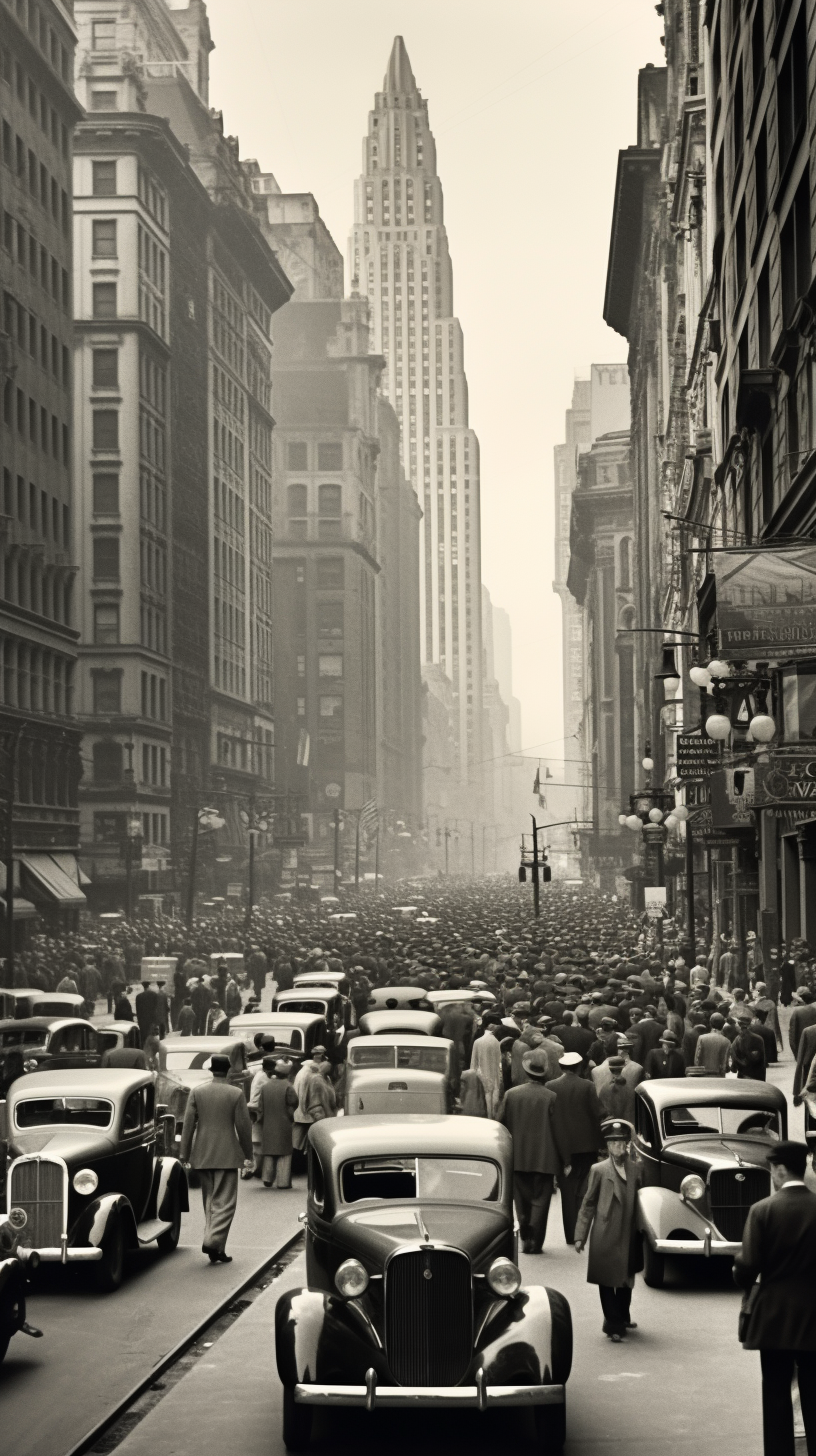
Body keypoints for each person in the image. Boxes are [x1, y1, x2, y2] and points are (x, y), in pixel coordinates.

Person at [733, 1140, 816, 1456]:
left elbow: (748, 1265)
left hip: (774, 1320)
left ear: (780, 1169)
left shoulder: (762, 1210)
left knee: (777, 1394)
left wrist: (739, 1277)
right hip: (814, 1317)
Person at [574, 1118, 644, 1342]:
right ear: (607, 1146)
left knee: (626, 1278)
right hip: (606, 1232)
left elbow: (643, 1201)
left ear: (627, 1145)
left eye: (622, 1142)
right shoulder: (599, 1170)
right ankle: (612, 1324)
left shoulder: (636, 1169)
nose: (618, 1147)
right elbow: (588, 1203)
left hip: (629, 1231)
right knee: (606, 1279)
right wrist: (580, 1236)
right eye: (613, 1143)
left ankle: (622, 1316)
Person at [179, 1053, 253, 1263]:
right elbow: (244, 1127)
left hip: (202, 1152)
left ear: (211, 1070)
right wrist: (248, 1154)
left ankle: (217, 1248)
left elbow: (187, 1125)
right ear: (228, 1070)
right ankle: (213, 1241)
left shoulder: (197, 1091)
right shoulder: (236, 1093)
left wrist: (184, 1153)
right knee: (226, 1203)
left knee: (210, 1201)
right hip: (227, 1153)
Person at [498, 1048, 571, 1254]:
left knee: (520, 1199)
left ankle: (524, 1229)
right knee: (541, 1200)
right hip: (545, 1159)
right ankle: (535, 1241)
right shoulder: (551, 1097)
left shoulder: (511, 1095)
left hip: (518, 1157)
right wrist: (566, 1159)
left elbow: (499, 1124)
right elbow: (560, 1130)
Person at [547, 1050, 602, 1243]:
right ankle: (582, 1231)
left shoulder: (550, 1086)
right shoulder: (587, 1086)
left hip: (561, 1148)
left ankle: (571, 1235)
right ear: (579, 1067)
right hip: (586, 1147)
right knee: (585, 1190)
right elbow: (597, 1114)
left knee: (567, 1192)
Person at [253, 1058, 298, 1188]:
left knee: (269, 1152)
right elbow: (294, 1102)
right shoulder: (288, 1086)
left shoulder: (265, 1086)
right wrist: (290, 1117)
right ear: (286, 1074)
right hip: (284, 1124)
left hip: (267, 1124)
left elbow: (260, 1107)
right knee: (284, 1153)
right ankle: (283, 1181)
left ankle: (267, 1177)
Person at [469, 1021, 504, 1116]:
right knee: (494, 1097)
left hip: (481, 1074)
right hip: (495, 1074)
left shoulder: (478, 1041)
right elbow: (500, 1061)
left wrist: (472, 1076)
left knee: (483, 1097)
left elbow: (473, 1062)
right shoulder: (497, 1042)